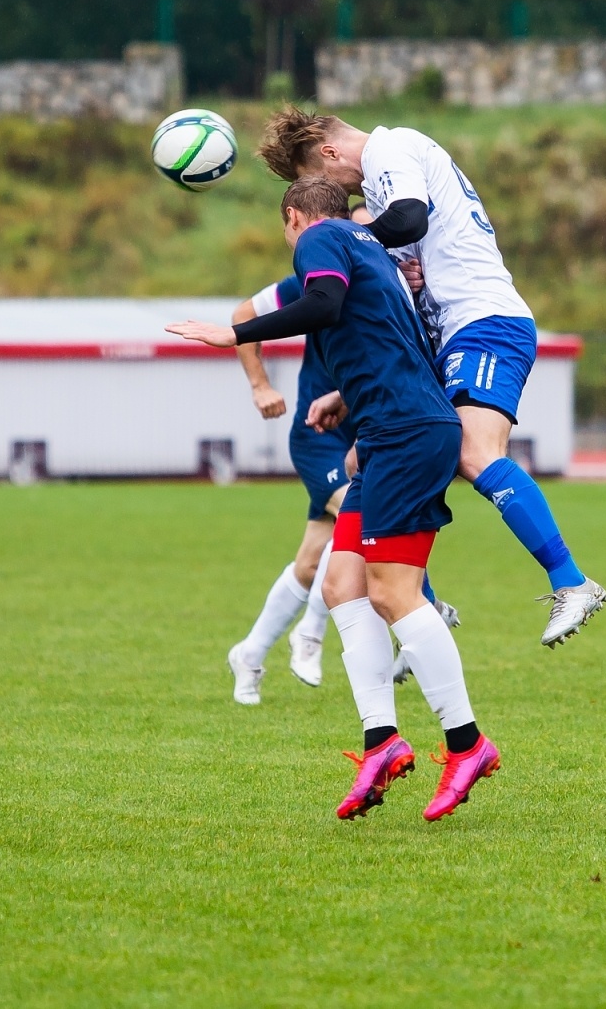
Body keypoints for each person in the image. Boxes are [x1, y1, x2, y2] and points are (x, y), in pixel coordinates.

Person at [168, 177, 499, 823]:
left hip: (404, 433)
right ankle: (382, 740)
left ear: (293, 217)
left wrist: (230, 336)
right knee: (342, 583)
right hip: (387, 432)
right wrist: (350, 403)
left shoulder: (319, 237)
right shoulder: (367, 243)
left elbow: (322, 305)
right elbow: (388, 337)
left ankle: (468, 744)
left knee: (393, 593)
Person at [256, 106, 606, 648]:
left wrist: (358, 239)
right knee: (364, 461)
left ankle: (572, 581)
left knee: (472, 451)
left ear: (329, 153)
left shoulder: (390, 150)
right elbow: (403, 260)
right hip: (449, 336)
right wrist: (349, 395)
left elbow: (408, 219)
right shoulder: (378, 189)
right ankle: (418, 603)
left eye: (322, 181)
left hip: (483, 320)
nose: (331, 200)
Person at [226, 263, 459, 705]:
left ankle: (250, 653)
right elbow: (242, 316)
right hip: (318, 436)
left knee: (312, 562)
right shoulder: (320, 276)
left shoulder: (396, 284)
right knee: (366, 523)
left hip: (369, 433)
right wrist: (260, 385)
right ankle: (314, 634)